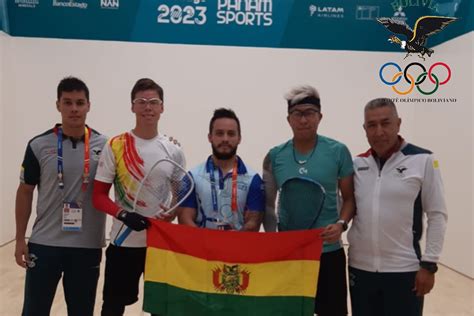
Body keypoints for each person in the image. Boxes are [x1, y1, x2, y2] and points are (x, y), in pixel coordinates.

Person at [14, 76, 107, 316]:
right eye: (68, 102)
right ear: (58, 105)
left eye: (79, 102)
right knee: (34, 311)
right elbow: (25, 192)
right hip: (45, 245)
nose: (74, 109)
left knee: (81, 312)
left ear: (89, 105)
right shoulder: (38, 145)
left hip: (87, 246)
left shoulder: (107, 146)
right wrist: (19, 239)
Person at [92, 78, 185, 316]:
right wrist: (124, 214)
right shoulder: (116, 145)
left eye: (154, 102)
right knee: (113, 307)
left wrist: (172, 212)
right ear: (132, 106)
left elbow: (181, 195)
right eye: (141, 102)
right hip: (124, 242)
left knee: (162, 309)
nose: (148, 107)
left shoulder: (173, 149)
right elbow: (99, 196)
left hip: (160, 243)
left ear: (162, 107)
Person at [348, 98, 448, 316]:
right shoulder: (357, 164)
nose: (379, 131)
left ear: (398, 123)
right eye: (372, 125)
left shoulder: (423, 160)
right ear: (365, 129)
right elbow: (348, 206)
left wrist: (429, 265)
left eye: (386, 123)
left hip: (405, 270)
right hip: (360, 268)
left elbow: (437, 214)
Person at [263, 85, 355, 316]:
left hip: (329, 252)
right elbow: (268, 204)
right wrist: (274, 240)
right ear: (289, 119)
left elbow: (350, 198)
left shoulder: (338, 151)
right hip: (291, 253)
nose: (304, 119)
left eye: (310, 113)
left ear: (320, 117)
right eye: (298, 114)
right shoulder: (275, 155)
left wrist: (341, 224)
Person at [178, 108, 264, 231]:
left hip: (237, 248)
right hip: (201, 248)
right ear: (210, 137)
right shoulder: (193, 177)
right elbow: (185, 219)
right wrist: (208, 242)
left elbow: (253, 223)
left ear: (239, 138)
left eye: (231, 134)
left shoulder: (253, 179)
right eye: (219, 133)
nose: (225, 139)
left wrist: (229, 243)